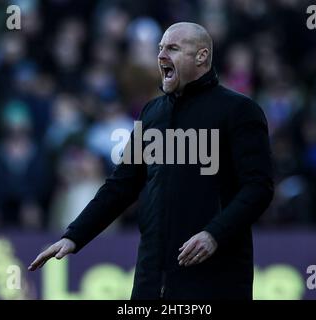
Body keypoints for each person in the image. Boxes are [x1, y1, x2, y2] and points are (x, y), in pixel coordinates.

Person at [29, 22, 274, 300]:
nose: (161, 56)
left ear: (202, 56)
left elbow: (259, 188)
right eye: (160, 49)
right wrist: (73, 235)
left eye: (173, 48)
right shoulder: (152, 113)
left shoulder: (239, 111)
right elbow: (121, 185)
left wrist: (214, 234)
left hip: (215, 272)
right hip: (153, 273)